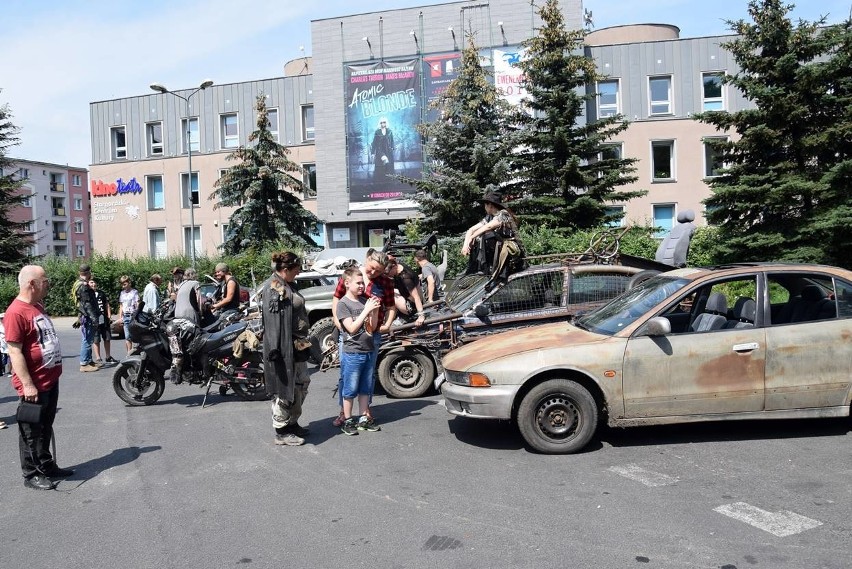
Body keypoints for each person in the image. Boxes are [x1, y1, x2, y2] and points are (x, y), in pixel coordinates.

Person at [6, 265, 71, 490]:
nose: (48, 284)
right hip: (34, 385)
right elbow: (14, 351)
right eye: (45, 280)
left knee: (45, 426)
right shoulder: (16, 312)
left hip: (50, 379)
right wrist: (27, 385)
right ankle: (31, 473)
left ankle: (46, 464)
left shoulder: (37, 306)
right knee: (30, 432)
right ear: (31, 284)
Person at [330, 249, 396, 427]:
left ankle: (365, 410)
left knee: (368, 374)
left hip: (372, 334)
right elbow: (336, 298)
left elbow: (391, 306)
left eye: (379, 271)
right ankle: (344, 412)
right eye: (372, 268)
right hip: (350, 335)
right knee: (347, 374)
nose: (374, 273)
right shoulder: (351, 276)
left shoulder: (384, 282)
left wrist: (387, 324)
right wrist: (337, 321)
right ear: (367, 260)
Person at [261, 252, 311, 446]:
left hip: (297, 345)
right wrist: (275, 349)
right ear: (285, 270)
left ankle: (292, 422)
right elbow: (272, 321)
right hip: (282, 347)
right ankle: (281, 430)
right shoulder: (274, 287)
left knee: (301, 384)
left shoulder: (288, 284)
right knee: (284, 388)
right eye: (296, 270)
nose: (298, 274)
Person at [336, 267, 382, 435]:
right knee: (350, 388)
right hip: (353, 353)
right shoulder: (343, 304)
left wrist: (375, 310)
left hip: (368, 351)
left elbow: (372, 327)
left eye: (363, 282)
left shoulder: (365, 301)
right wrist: (366, 310)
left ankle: (363, 418)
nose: (362, 286)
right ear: (347, 283)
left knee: (365, 388)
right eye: (358, 283)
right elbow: (352, 328)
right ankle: (348, 420)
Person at [461, 188, 525, 283]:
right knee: (480, 236)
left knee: (487, 235)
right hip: (498, 250)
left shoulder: (503, 214)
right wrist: (466, 245)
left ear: (490, 205)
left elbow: (489, 226)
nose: (484, 208)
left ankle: (488, 266)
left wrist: (472, 237)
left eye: (485, 205)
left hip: (512, 252)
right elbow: (471, 229)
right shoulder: (489, 217)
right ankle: (479, 267)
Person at [166, 268, 204, 385]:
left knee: (181, 342)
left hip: (177, 317)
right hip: (189, 317)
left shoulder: (181, 285)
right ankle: (195, 370)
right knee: (195, 343)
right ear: (195, 275)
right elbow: (199, 301)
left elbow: (175, 299)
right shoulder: (196, 283)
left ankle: (179, 366)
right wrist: (201, 314)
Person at [72, 264, 102, 372]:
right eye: (90, 272)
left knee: (89, 339)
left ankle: (89, 361)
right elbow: (87, 304)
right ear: (88, 273)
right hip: (87, 316)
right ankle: (84, 363)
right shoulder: (83, 285)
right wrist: (94, 318)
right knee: (87, 339)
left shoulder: (77, 283)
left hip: (84, 315)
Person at [385, 256, 425, 326]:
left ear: (394, 266)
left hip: (412, 307)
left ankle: (388, 322)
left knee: (390, 295)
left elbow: (416, 297)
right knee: (391, 290)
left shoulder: (405, 277)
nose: (388, 275)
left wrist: (421, 316)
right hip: (408, 299)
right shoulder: (400, 267)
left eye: (388, 273)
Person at [89, 279, 116, 364]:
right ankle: (98, 358)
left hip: (103, 318)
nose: (93, 284)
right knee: (96, 339)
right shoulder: (88, 294)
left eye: (94, 282)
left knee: (107, 338)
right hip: (94, 319)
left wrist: (109, 316)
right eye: (91, 282)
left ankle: (108, 356)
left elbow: (106, 304)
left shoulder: (101, 293)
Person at [117, 276, 139, 353]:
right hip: (125, 316)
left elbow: (137, 304)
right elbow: (121, 305)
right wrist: (120, 318)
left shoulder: (134, 292)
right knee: (127, 336)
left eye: (125, 284)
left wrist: (137, 314)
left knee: (134, 335)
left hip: (133, 315)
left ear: (129, 283)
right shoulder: (122, 293)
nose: (123, 286)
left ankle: (135, 352)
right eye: (122, 284)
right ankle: (128, 353)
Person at [370, 117, 394, 182]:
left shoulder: (390, 131)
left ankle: (389, 181)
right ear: (380, 123)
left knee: (388, 166)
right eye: (381, 122)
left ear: (386, 123)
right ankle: (380, 181)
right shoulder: (377, 132)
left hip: (388, 151)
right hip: (380, 151)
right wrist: (372, 153)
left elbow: (392, 141)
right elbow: (374, 142)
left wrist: (392, 148)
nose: (383, 124)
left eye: (384, 122)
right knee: (381, 167)